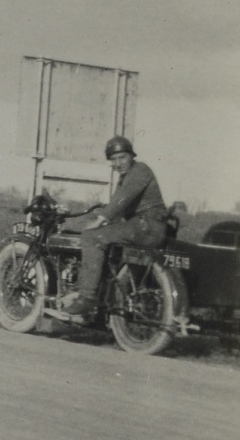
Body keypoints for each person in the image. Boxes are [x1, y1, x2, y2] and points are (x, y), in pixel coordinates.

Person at [63, 136, 169, 318]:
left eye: (122, 157)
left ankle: (87, 297)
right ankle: (103, 297)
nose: (118, 163)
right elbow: (118, 208)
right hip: (141, 226)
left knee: (92, 238)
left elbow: (121, 201)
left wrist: (101, 219)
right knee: (98, 234)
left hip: (147, 226)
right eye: (113, 159)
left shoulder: (140, 170)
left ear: (131, 156)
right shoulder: (127, 177)